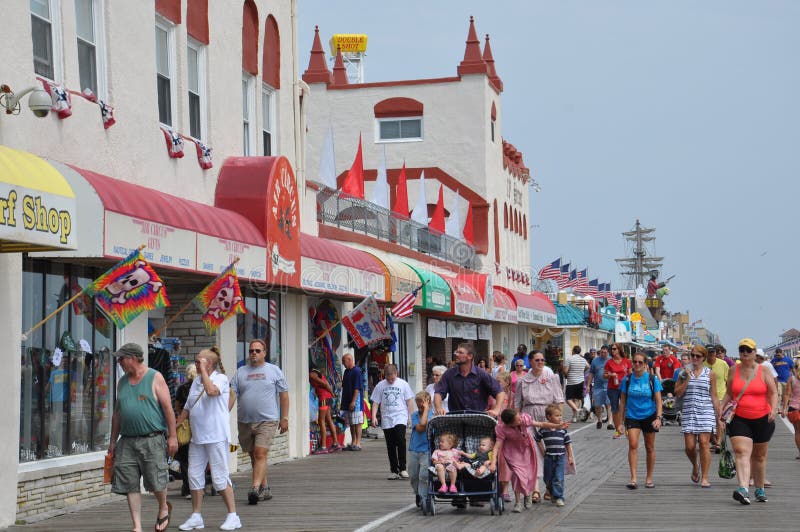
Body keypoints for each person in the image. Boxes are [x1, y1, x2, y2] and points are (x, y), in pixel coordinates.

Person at [108, 343, 178, 532]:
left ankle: (163, 506)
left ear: (132, 358)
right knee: (129, 483)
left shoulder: (154, 377)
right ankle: (137, 526)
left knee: (156, 480)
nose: (119, 362)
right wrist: (113, 442)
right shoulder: (122, 382)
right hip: (127, 440)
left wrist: (173, 436)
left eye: (121, 358)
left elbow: (168, 409)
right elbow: (117, 414)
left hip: (152, 439)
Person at [177, 348, 241, 531]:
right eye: (196, 361)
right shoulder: (196, 381)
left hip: (216, 436)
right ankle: (196, 516)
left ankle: (233, 516)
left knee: (220, 477)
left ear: (209, 363)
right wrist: (175, 430)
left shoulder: (220, 378)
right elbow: (187, 408)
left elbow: (212, 391)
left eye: (199, 361)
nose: (196, 364)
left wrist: (204, 372)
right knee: (194, 476)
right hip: (198, 437)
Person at [229, 339, 289, 505]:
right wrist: (223, 412)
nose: (253, 353)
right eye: (251, 351)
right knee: (253, 456)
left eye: (257, 350)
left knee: (260, 453)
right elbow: (232, 394)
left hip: (267, 420)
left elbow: (284, 394)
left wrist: (285, 417)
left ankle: (254, 489)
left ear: (264, 353)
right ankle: (265, 488)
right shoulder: (240, 372)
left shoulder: (274, 370)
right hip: (245, 421)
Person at [724, 338, 777, 505]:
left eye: (748, 350)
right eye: (742, 350)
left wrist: (773, 409)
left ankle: (759, 489)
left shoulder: (764, 371)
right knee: (741, 452)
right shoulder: (733, 370)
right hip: (739, 417)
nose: (745, 353)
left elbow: (774, 392)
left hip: (762, 417)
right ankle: (743, 489)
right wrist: (721, 407)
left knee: (759, 456)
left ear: (755, 353)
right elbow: (729, 393)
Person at [489, 409, 563, 513]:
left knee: (527, 475)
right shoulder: (502, 428)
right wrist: (492, 463)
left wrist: (556, 426)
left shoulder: (524, 419)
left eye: (519, 417)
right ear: (510, 423)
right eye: (517, 420)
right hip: (512, 452)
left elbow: (541, 423)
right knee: (517, 476)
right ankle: (518, 502)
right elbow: (496, 447)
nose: (520, 420)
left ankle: (527, 494)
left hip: (526, 449)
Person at [515, 350, 564, 501]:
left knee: (550, 453)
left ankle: (550, 487)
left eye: (542, 360)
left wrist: (557, 421)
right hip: (528, 417)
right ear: (530, 361)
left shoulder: (551, 378)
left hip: (547, 415)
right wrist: (517, 422)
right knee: (533, 452)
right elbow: (517, 403)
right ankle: (535, 489)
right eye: (537, 360)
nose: (540, 362)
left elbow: (559, 400)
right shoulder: (522, 381)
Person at [674, 345, 720, 488]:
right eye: (692, 355)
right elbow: (677, 392)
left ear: (703, 358)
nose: (694, 358)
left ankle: (705, 478)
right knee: (689, 447)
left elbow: (714, 396)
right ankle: (695, 465)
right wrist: (687, 378)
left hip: (705, 411)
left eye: (698, 356)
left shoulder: (710, 373)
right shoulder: (683, 373)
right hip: (689, 411)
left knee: (704, 443)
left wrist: (719, 417)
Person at [620, 351, 663, 489]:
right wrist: (620, 423)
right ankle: (633, 478)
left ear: (645, 365)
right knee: (633, 444)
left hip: (649, 415)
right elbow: (622, 402)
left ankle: (649, 478)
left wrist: (659, 418)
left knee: (649, 447)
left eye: (640, 362)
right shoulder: (626, 380)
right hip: (632, 415)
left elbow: (658, 401)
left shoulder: (652, 379)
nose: (637, 364)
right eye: (635, 362)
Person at [434, 342, 505, 417]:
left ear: (470, 356)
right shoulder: (449, 374)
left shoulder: (481, 374)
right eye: (456, 352)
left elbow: (500, 392)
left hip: (478, 420)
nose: (456, 354)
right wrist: (439, 408)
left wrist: (497, 409)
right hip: (455, 419)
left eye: (460, 352)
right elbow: (438, 392)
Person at [370, 364, 415, 480]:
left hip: (400, 415)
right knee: (390, 444)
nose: (390, 380)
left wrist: (411, 416)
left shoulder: (403, 384)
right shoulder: (380, 385)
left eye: (392, 378)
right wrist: (374, 416)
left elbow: (409, 401)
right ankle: (394, 469)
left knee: (400, 440)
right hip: (386, 417)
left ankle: (403, 468)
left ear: (396, 374)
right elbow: (375, 402)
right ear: (384, 376)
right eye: (388, 378)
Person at [534, 404, 574, 508]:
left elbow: (567, 443)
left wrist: (570, 457)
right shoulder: (544, 429)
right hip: (549, 457)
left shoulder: (562, 430)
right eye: (557, 415)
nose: (560, 417)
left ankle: (559, 497)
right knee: (547, 478)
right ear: (549, 417)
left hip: (560, 457)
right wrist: (542, 451)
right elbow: (537, 439)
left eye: (560, 415)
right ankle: (552, 492)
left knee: (559, 477)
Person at [174, 363, 198, 498]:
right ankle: (196, 486)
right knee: (197, 457)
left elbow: (177, 407)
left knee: (184, 457)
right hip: (198, 425)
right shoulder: (200, 388)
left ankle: (187, 487)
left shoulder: (182, 388)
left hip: (184, 425)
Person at [408, 391, 433, 509]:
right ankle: (418, 493)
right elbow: (420, 427)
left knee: (423, 475)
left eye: (422, 405)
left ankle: (423, 497)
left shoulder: (433, 416)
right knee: (413, 475)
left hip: (426, 449)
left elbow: (425, 422)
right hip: (414, 449)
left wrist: (427, 410)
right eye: (418, 406)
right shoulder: (414, 415)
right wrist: (424, 411)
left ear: (428, 403)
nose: (420, 408)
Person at [604, 343, 632, 438]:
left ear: (619, 350)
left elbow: (631, 374)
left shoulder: (627, 361)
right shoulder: (609, 362)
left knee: (625, 408)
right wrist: (610, 375)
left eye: (614, 349)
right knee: (615, 408)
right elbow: (604, 375)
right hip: (612, 388)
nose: (613, 350)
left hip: (625, 387)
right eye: (611, 349)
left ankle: (627, 428)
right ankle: (617, 430)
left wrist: (629, 381)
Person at [309, 367, 339, 454]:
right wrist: (331, 394)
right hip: (327, 397)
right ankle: (335, 443)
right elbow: (325, 383)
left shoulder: (312, 374)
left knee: (321, 421)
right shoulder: (318, 373)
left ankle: (323, 446)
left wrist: (332, 393)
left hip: (324, 398)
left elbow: (325, 384)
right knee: (328, 419)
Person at [341, 352, 364, 451]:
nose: (343, 363)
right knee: (351, 423)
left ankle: (358, 443)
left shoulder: (357, 371)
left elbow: (357, 388)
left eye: (344, 361)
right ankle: (353, 441)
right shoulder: (346, 372)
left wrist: (353, 401)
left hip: (356, 402)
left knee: (357, 422)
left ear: (350, 360)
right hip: (347, 400)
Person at [563, 345, 589, 422]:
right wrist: (582, 371)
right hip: (580, 381)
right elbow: (588, 367)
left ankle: (578, 410)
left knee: (568, 399)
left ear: (573, 351)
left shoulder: (569, 359)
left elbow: (565, 371)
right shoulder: (583, 360)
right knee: (577, 399)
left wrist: (566, 375)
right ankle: (574, 417)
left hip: (571, 382)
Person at [587, 345, 611, 429]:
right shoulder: (595, 360)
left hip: (609, 385)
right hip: (598, 386)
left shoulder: (611, 360)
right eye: (601, 352)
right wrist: (588, 385)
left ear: (608, 352)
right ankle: (599, 420)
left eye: (605, 352)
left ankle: (610, 422)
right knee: (597, 404)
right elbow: (591, 373)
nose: (603, 354)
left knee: (609, 404)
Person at [779, 363, 800, 459]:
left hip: (794, 408)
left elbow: (787, 395)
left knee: (798, 432)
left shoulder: (792, 379)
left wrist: (784, 409)